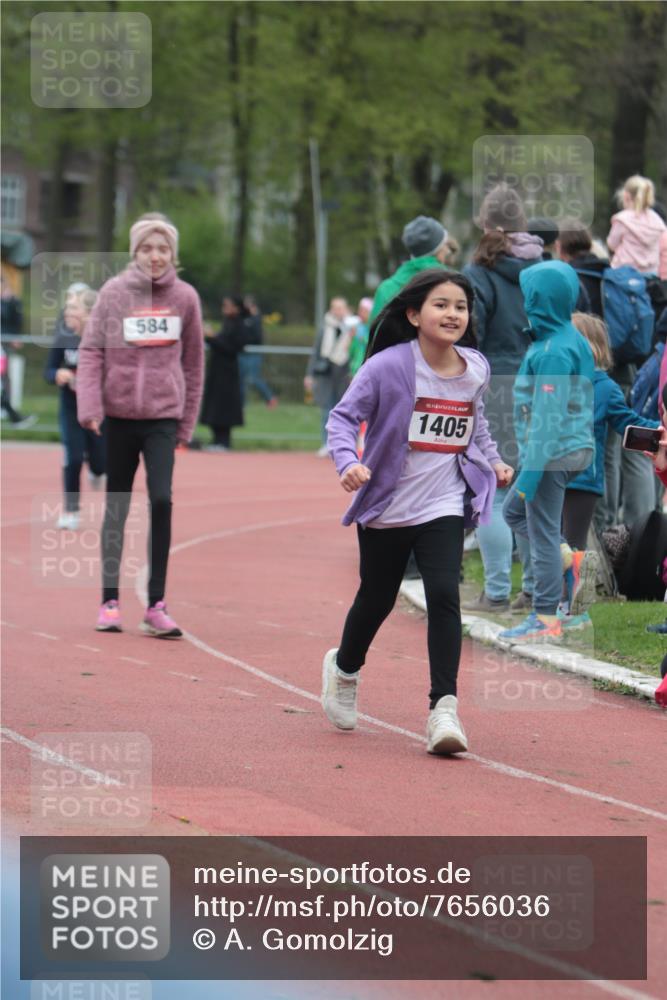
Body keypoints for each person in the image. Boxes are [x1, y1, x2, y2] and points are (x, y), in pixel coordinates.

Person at [323, 269, 513, 754]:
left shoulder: (474, 369)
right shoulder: (386, 367)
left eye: (461, 307)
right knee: (377, 598)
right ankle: (344, 669)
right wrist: (348, 462)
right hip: (387, 503)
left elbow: (476, 424)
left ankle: (443, 708)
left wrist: (491, 460)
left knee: (445, 594)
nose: (453, 314)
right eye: (441, 305)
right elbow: (344, 418)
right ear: (414, 314)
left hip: (444, 502)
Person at [77, 212, 204, 637]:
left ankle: (156, 604)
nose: (155, 256)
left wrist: (185, 423)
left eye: (163, 248)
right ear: (135, 251)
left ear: (173, 254)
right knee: (116, 505)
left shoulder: (185, 297)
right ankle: (109, 600)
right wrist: (90, 405)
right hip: (118, 417)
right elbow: (92, 350)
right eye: (147, 248)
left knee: (163, 500)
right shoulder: (113, 293)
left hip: (163, 418)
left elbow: (194, 364)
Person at [499, 261, 595, 644]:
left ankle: (545, 617)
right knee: (515, 515)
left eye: (528, 296)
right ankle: (566, 561)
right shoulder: (561, 338)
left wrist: (530, 474)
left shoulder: (554, 350)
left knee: (539, 533)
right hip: (562, 451)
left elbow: (548, 420)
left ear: (539, 300)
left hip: (552, 455)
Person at [462, 183, 543, 613]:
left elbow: (469, 330)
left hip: (494, 381)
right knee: (529, 488)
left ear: (485, 221)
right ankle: (532, 588)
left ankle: (495, 591)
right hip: (541, 381)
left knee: (491, 487)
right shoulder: (542, 267)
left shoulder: (479, 271)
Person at [562, 313, 660, 552]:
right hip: (548, 476)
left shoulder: (605, 387)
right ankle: (543, 589)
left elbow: (628, 425)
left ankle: (568, 588)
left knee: (573, 546)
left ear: (591, 347)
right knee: (547, 541)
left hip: (582, 481)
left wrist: (660, 437)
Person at [44, 287, 106, 529]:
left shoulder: (106, 339)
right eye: (67, 307)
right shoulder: (63, 337)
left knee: (101, 463)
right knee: (74, 457)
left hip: (100, 411)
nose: (67, 312)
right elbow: (48, 370)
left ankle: (98, 470)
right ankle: (71, 511)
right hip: (71, 408)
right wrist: (57, 373)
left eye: (73, 307)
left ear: (90, 313)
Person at [370, 216, 450, 322]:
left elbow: (374, 334)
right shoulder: (452, 283)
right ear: (439, 250)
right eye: (445, 245)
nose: (448, 250)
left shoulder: (385, 289)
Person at [304, 296, 352, 457]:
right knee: (327, 409)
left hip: (344, 375)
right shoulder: (324, 329)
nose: (338, 311)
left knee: (345, 411)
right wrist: (309, 375)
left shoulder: (353, 328)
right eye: (335, 307)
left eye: (341, 307)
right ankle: (326, 443)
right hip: (325, 375)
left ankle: (343, 445)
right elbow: (316, 352)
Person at [201, 295, 247, 451]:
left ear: (236, 308)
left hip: (227, 373)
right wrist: (209, 337)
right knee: (214, 406)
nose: (224, 308)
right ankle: (216, 439)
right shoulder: (227, 323)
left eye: (228, 305)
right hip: (217, 371)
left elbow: (233, 348)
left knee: (224, 407)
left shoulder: (239, 325)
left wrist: (213, 338)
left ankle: (224, 441)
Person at [607, 175, 667, 275]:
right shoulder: (656, 220)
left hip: (623, 274)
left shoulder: (623, 219)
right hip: (650, 274)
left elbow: (612, 244)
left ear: (626, 196)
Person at [0, 276, 36, 428]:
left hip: (4, 345)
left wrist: (9, 301)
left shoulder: (12, 301)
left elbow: (17, 320)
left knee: (3, 379)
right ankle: (12, 414)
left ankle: (10, 413)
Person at [239, 294, 277, 408]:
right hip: (243, 353)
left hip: (253, 354)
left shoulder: (256, 319)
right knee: (241, 379)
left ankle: (270, 398)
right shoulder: (245, 318)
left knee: (254, 378)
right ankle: (241, 404)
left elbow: (257, 338)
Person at [347, 297, 374, 378]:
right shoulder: (357, 327)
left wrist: (362, 339)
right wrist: (352, 339)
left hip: (368, 370)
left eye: (364, 311)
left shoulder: (374, 327)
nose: (360, 313)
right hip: (355, 370)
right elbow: (351, 352)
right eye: (360, 310)